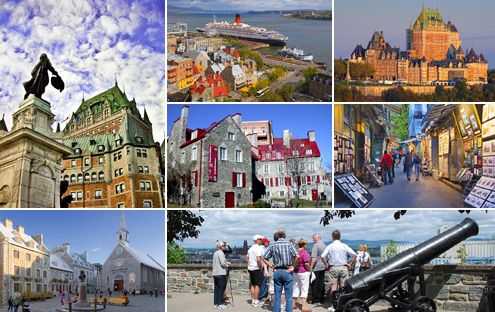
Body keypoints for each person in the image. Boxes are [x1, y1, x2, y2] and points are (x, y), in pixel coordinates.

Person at [263, 227, 300, 312]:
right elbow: (297, 256)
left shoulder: (272, 245)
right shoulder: (289, 244)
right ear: (285, 235)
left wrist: (271, 266)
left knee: (277, 296)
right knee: (289, 296)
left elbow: (264, 258)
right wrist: (293, 266)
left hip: (277, 271)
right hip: (287, 271)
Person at [321, 230, 356, 312]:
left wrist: (327, 264)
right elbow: (354, 255)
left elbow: (322, 257)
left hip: (333, 267)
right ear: (339, 237)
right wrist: (350, 264)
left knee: (334, 288)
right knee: (343, 287)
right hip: (343, 267)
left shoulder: (330, 246)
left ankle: (333, 305)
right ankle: (343, 304)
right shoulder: (344, 246)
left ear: (333, 237)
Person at [293, 238, 312, 312]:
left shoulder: (295, 252)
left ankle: (293, 304)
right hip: (303, 272)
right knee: (304, 288)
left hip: (295, 272)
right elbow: (306, 263)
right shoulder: (304, 253)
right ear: (304, 245)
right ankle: (304, 306)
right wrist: (310, 269)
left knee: (296, 288)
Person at [213, 240, 231, 310]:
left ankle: (216, 303)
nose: (224, 247)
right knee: (221, 289)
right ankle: (220, 303)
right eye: (224, 246)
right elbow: (223, 263)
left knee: (217, 289)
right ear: (221, 246)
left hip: (215, 273)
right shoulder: (221, 253)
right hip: (221, 273)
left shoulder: (215, 253)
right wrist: (228, 264)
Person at [247, 234, 264, 307]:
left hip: (250, 268)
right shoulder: (258, 248)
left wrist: (251, 263)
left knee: (253, 284)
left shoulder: (250, 248)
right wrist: (261, 267)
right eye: (260, 239)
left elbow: (247, 259)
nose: (261, 241)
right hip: (256, 268)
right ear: (257, 240)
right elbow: (258, 259)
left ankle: (253, 300)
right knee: (257, 285)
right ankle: (256, 301)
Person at [310, 233, 326, 305]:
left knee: (315, 284)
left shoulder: (315, 246)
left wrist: (311, 267)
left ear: (317, 238)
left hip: (316, 267)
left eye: (313, 238)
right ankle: (321, 298)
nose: (313, 240)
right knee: (321, 283)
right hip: (323, 266)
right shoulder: (324, 245)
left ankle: (315, 299)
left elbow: (314, 258)